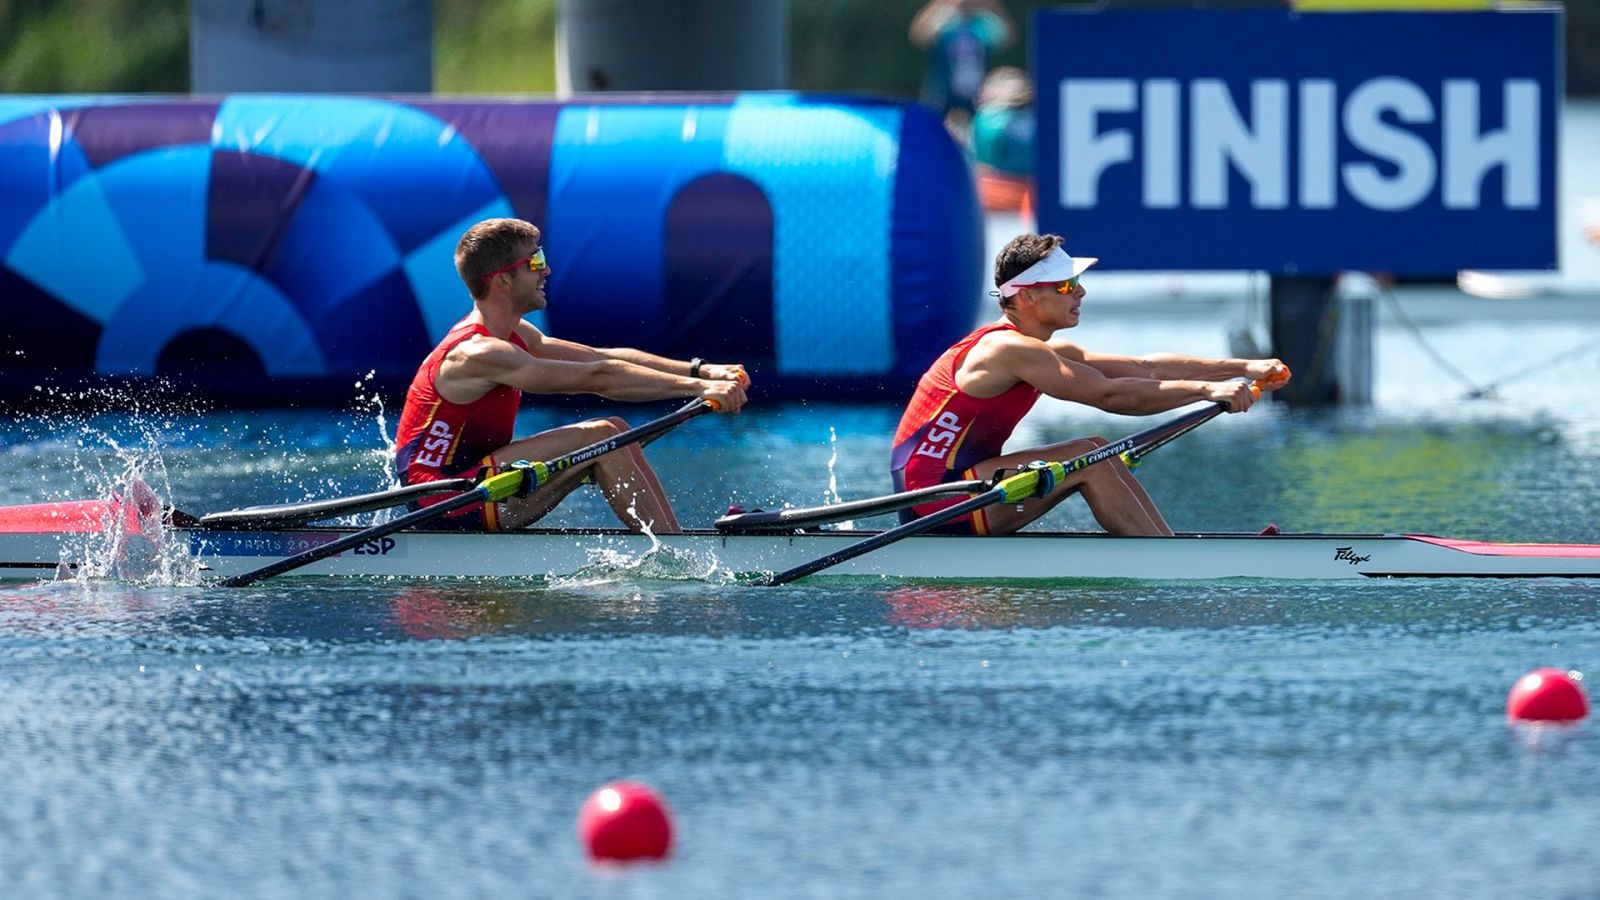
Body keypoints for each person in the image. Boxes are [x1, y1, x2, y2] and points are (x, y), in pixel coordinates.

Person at [889, 233, 1289, 536]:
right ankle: (1172, 560)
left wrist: (1246, 367)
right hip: (934, 497)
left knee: (1098, 448)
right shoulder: (1006, 350)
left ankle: (1166, 549)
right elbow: (1109, 395)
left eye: (1076, 281)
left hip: (961, 484)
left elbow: (1143, 367)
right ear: (1027, 297)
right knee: (1090, 457)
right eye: (1065, 285)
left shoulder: (1034, 348)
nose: (1080, 291)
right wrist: (1207, 391)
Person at [394, 218, 748, 534]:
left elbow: (600, 357)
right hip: (443, 500)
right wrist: (700, 388)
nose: (546, 271)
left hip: (475, 481)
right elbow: (597, 378)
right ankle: (679, 554)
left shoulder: (518, 334)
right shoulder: (480, 352)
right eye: (536, 262)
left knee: (616, 431)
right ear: (502, 279)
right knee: (600, 436)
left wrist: (700, 369)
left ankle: (675, 539)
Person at [909, 0, 1015, 141]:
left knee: (978, 136)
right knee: (932, 130)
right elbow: (919, 35)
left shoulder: (981, 26)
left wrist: (994, 6)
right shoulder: (945, 23)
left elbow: (1007, 38)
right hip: (943, 90)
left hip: (976, 91)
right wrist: (941, 4)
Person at [971, 66, 1035, 213]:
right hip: (1032, 197)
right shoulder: (1042, 119)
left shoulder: (986, 118)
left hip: (992, 196)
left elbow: (983, 164)